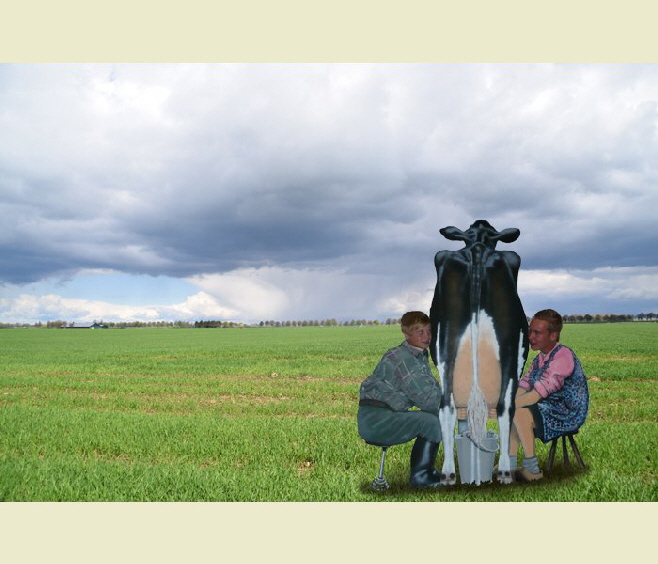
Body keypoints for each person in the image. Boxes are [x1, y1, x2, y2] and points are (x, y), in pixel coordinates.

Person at [357, 311, 443, 488]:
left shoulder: (415, 354)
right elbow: (429, 400)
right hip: (377, 419)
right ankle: (422, 476)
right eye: (420, 332)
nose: (427, 336)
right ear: (406, 333)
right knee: (431, 422)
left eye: (429, 331)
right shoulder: (406, 359)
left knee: (435, 418)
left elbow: (430, 389)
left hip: (379, 415)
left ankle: (427, 471)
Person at [509, 309, 589, 481]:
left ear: (553, 336)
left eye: (537, 332)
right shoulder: (539, 359)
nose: (530, 336)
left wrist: (508, 406)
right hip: (549, 406)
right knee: (514, 408)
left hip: (567, 412)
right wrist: (507, 399)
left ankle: (532, 469)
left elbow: (535, 395)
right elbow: (525, 384)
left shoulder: (563, 356)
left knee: (519, 411)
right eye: (530, 331)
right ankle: (509, 463)